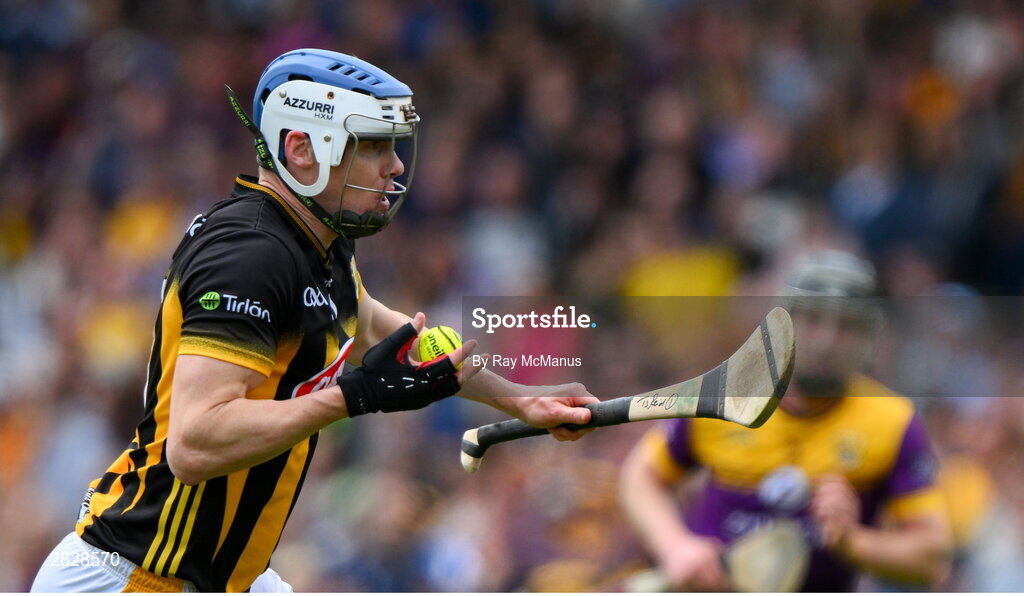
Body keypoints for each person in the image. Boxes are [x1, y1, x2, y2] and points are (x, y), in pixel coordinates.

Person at [31, 48, 598, 593]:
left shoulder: (316, 241)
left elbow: (397, 334)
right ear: (301, 148)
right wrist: (353, 397)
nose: (396, 165)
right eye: (374, 146)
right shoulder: (250, 254)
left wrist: (524, 401)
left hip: (219, 579)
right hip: (138, 577)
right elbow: (195, 443)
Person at [619, 250, 953, 591]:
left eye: (846, 326)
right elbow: (641, 475)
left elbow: (932, 558)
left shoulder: (893, 421)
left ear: (871, 338)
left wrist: (853, 542)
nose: (825, 341)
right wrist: (675, 546)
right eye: (812, 320)